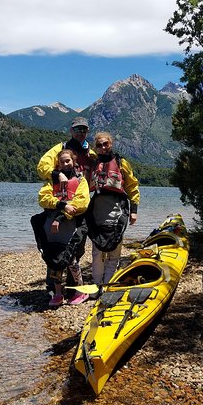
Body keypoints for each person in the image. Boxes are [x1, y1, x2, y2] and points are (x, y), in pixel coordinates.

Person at [36, 117, 96, 288]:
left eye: (84, 130)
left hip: (79, 207)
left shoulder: (90, 154)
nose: (80, 133)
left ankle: (72, 287)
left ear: (87, 131)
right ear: (71, 131)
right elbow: (42, 167)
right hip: (59, 206)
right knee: (55, 247)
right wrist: (56, 174)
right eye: (77, 129)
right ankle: (53, 288)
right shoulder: (60, 148)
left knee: (77, 248)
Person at [34, 149, 91, 307]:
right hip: (52, 225)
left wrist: (61, 216)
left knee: (71, 259)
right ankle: (58, 293)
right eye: (62, 162)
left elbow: (81, 203)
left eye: (68, 161)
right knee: (53, 258)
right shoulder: (52, 181)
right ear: (58, 164)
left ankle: (81, 290)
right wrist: (61, 205)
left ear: (74, 162)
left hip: (70, 224)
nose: (65, 164)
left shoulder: (81, 181)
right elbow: (43, 198)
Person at [86, 131, 140, 285]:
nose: (103, 147)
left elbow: (132, 186)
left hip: (118, 209)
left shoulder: (121, 163)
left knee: (115, 251)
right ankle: (97, 284)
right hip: (97, 210)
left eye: (106, 144)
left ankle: (108, 284)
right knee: (97, 252)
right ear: (96, 148)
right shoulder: (94, 163)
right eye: (99, 145)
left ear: (111, 144)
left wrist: (134, 211)